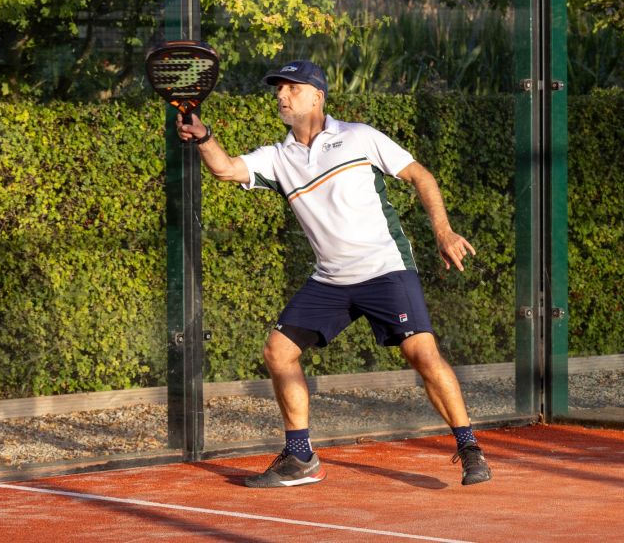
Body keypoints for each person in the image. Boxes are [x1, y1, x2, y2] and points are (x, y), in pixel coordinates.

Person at [175, 60, 492, 488]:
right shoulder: (278, 157)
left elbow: (420, 175)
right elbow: (226, 168)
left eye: (292, 88)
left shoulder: (359, 136)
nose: (282, 95)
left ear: (317, 96)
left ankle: (469, 447)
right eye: (278, 89)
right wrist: (204, 137)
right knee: (278, 352)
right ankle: (300, 457)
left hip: (385, 270)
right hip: (330, 280)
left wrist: (443, 231)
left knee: (421, 353)